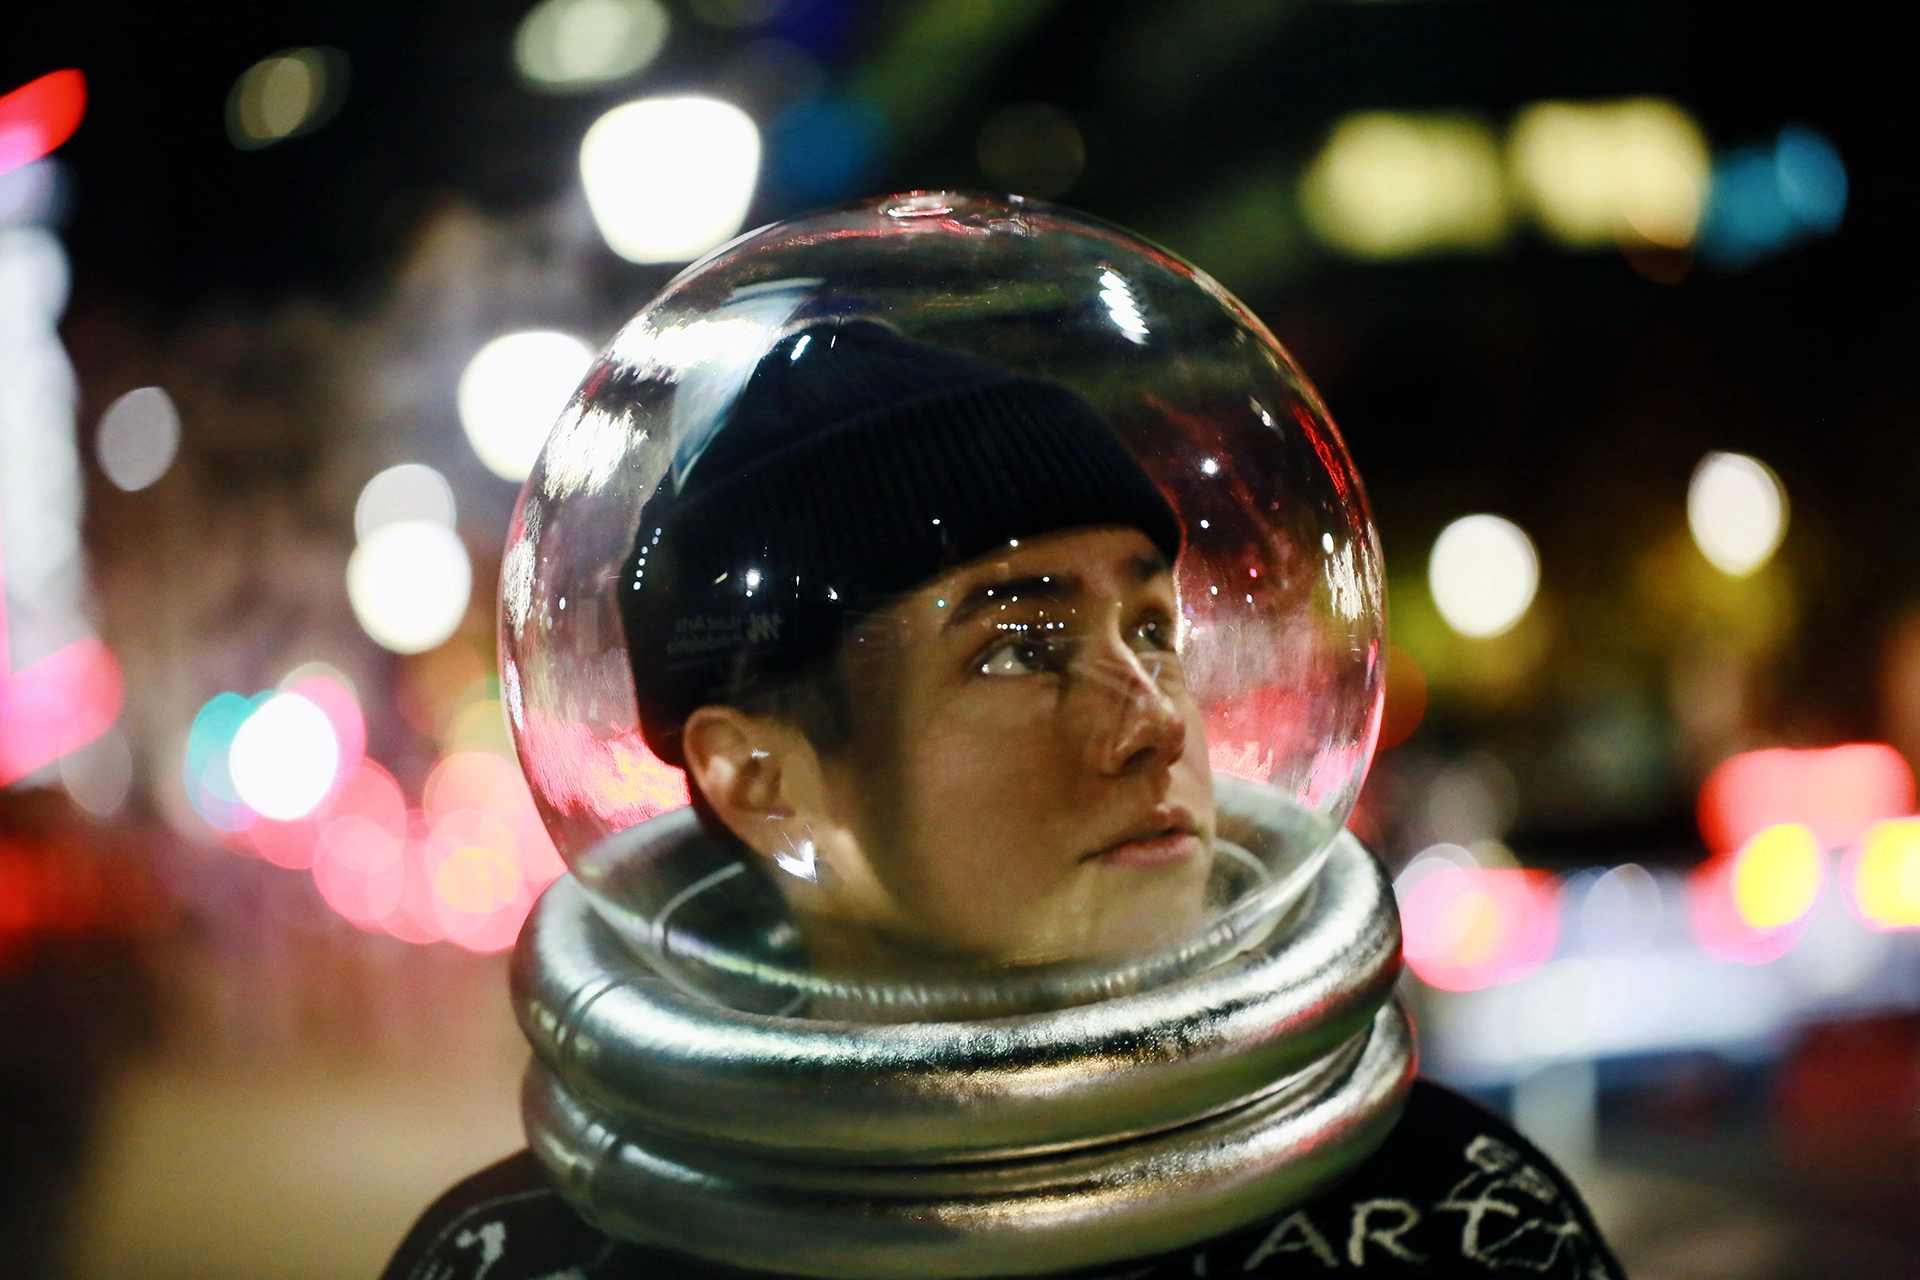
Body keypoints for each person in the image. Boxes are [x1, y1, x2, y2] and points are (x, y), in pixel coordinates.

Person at [383, 321, 1623, 1280]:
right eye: (1022, 649)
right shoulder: (527, 1256)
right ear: (761, 779)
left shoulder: (1452, 1219)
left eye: (1152, 626)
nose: (1153, 720)